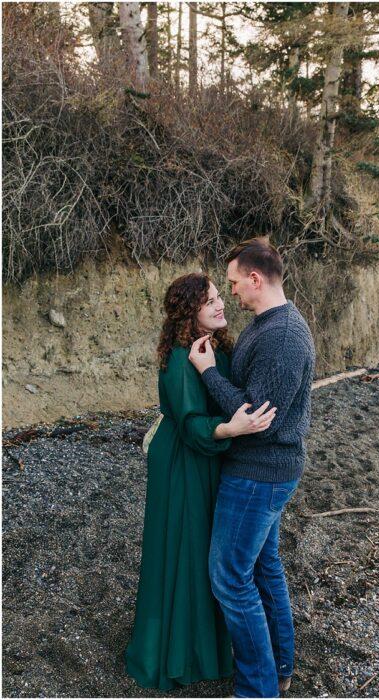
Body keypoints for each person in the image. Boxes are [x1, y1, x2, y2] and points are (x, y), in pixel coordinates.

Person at [126, 273, 276, 690]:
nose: (219, 305)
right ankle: (177, 653)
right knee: (184, 550)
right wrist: (232, 430)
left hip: (211, 462)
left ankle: (208, 648)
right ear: (189, 312)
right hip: (183, 463)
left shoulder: (217, 348)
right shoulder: (179, 357)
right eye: (209, 301)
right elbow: (192, 425)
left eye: (217, 297)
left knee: (206, 550)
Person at [188, 237, 315, 698]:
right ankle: (279, 669)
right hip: (268, 470)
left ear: (256, 279)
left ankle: (258, 689)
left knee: (229, 576)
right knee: (264, 569)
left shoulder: (282, 336)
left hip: (259, 472)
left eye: (235, 283)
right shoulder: (270, 323)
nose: (232, 293)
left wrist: (208, 374)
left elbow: (253, 420)